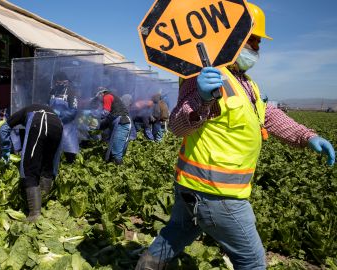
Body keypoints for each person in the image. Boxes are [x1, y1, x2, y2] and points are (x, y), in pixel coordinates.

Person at [135, 3, 335, 270]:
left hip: (195, 188)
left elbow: (267, 115)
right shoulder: (202, 77)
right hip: (217, 194)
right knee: (252, 261)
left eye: (259, 42)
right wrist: (202, 100)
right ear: (230, 38)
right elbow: (177, 125)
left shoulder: (246, 82)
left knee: (175, 234)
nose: (257, 48)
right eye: (252, 40)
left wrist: (306, 136)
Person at [0, 104, 63, 222]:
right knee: (47, 165)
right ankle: (43, 202)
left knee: (28, 168)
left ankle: (35, 214)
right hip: (58, 124)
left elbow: (4, 128)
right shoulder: (36, 108)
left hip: (41, 121)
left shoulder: (21, 113)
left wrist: (6, 150)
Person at [95, 87, 132, 165]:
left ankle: (120, 172)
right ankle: (114, 169)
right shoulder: (111, 97)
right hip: (121, 122)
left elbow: (105, 113)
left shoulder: (107, 96)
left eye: (98, 97)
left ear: (101, 94)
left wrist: (92, 114)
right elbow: (108, 118)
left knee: (117, 151)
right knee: (114, 149)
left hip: (122, 123)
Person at [49, 71, 79, 163]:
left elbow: (74, 110)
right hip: (54, 123)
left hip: (67, 125)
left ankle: (70, 164)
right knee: (52, 146)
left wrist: (61, 116)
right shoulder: (53, 91)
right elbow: (48, 103)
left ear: (64, 81)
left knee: (68, 148)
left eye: (58, 82)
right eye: (56, 82)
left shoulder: (71, 92)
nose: (57, 84)